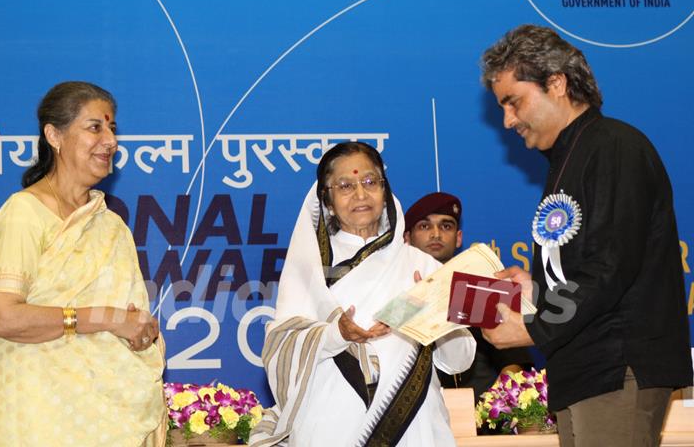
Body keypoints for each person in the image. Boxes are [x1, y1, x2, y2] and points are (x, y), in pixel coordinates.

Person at [479, 25, 692, 447]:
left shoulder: (614, 146)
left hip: (618, 365)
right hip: (582, 368)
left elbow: (609, 266)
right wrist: (535, 289)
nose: (507, 121)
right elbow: (586, 262)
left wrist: (536, 326)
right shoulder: (569, 158)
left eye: (513, 102)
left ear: (556, 83)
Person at [0, 81, 167, 446]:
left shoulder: (109, 224)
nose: (110, 140)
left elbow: (130, 317)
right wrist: (108, 319)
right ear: (54, 135)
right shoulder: (24, 213)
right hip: (34, 412)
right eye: (95, 127)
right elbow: (3, 317)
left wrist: (140, 331)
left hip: (102, 416)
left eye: (112, 128)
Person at [249, 142, 476, 446]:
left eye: (370, 182)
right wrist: (335, 334)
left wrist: (437, 317)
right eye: (345, 185)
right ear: (327, 200)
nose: (360, 194)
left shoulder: (422, 265)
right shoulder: (312, 270)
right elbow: (280, 349)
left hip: (415, 427)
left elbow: (459, 361)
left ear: (384, 190)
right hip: (330, 425)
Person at [404, 192, 533, 400]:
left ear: (459, 238)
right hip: (415, 418)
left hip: (483, 420)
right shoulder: (397, 292)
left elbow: (514, 362)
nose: (436, 234)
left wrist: (490, 407)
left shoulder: (481, 288)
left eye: (446, 226)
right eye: (425, 226)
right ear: (407, 238)